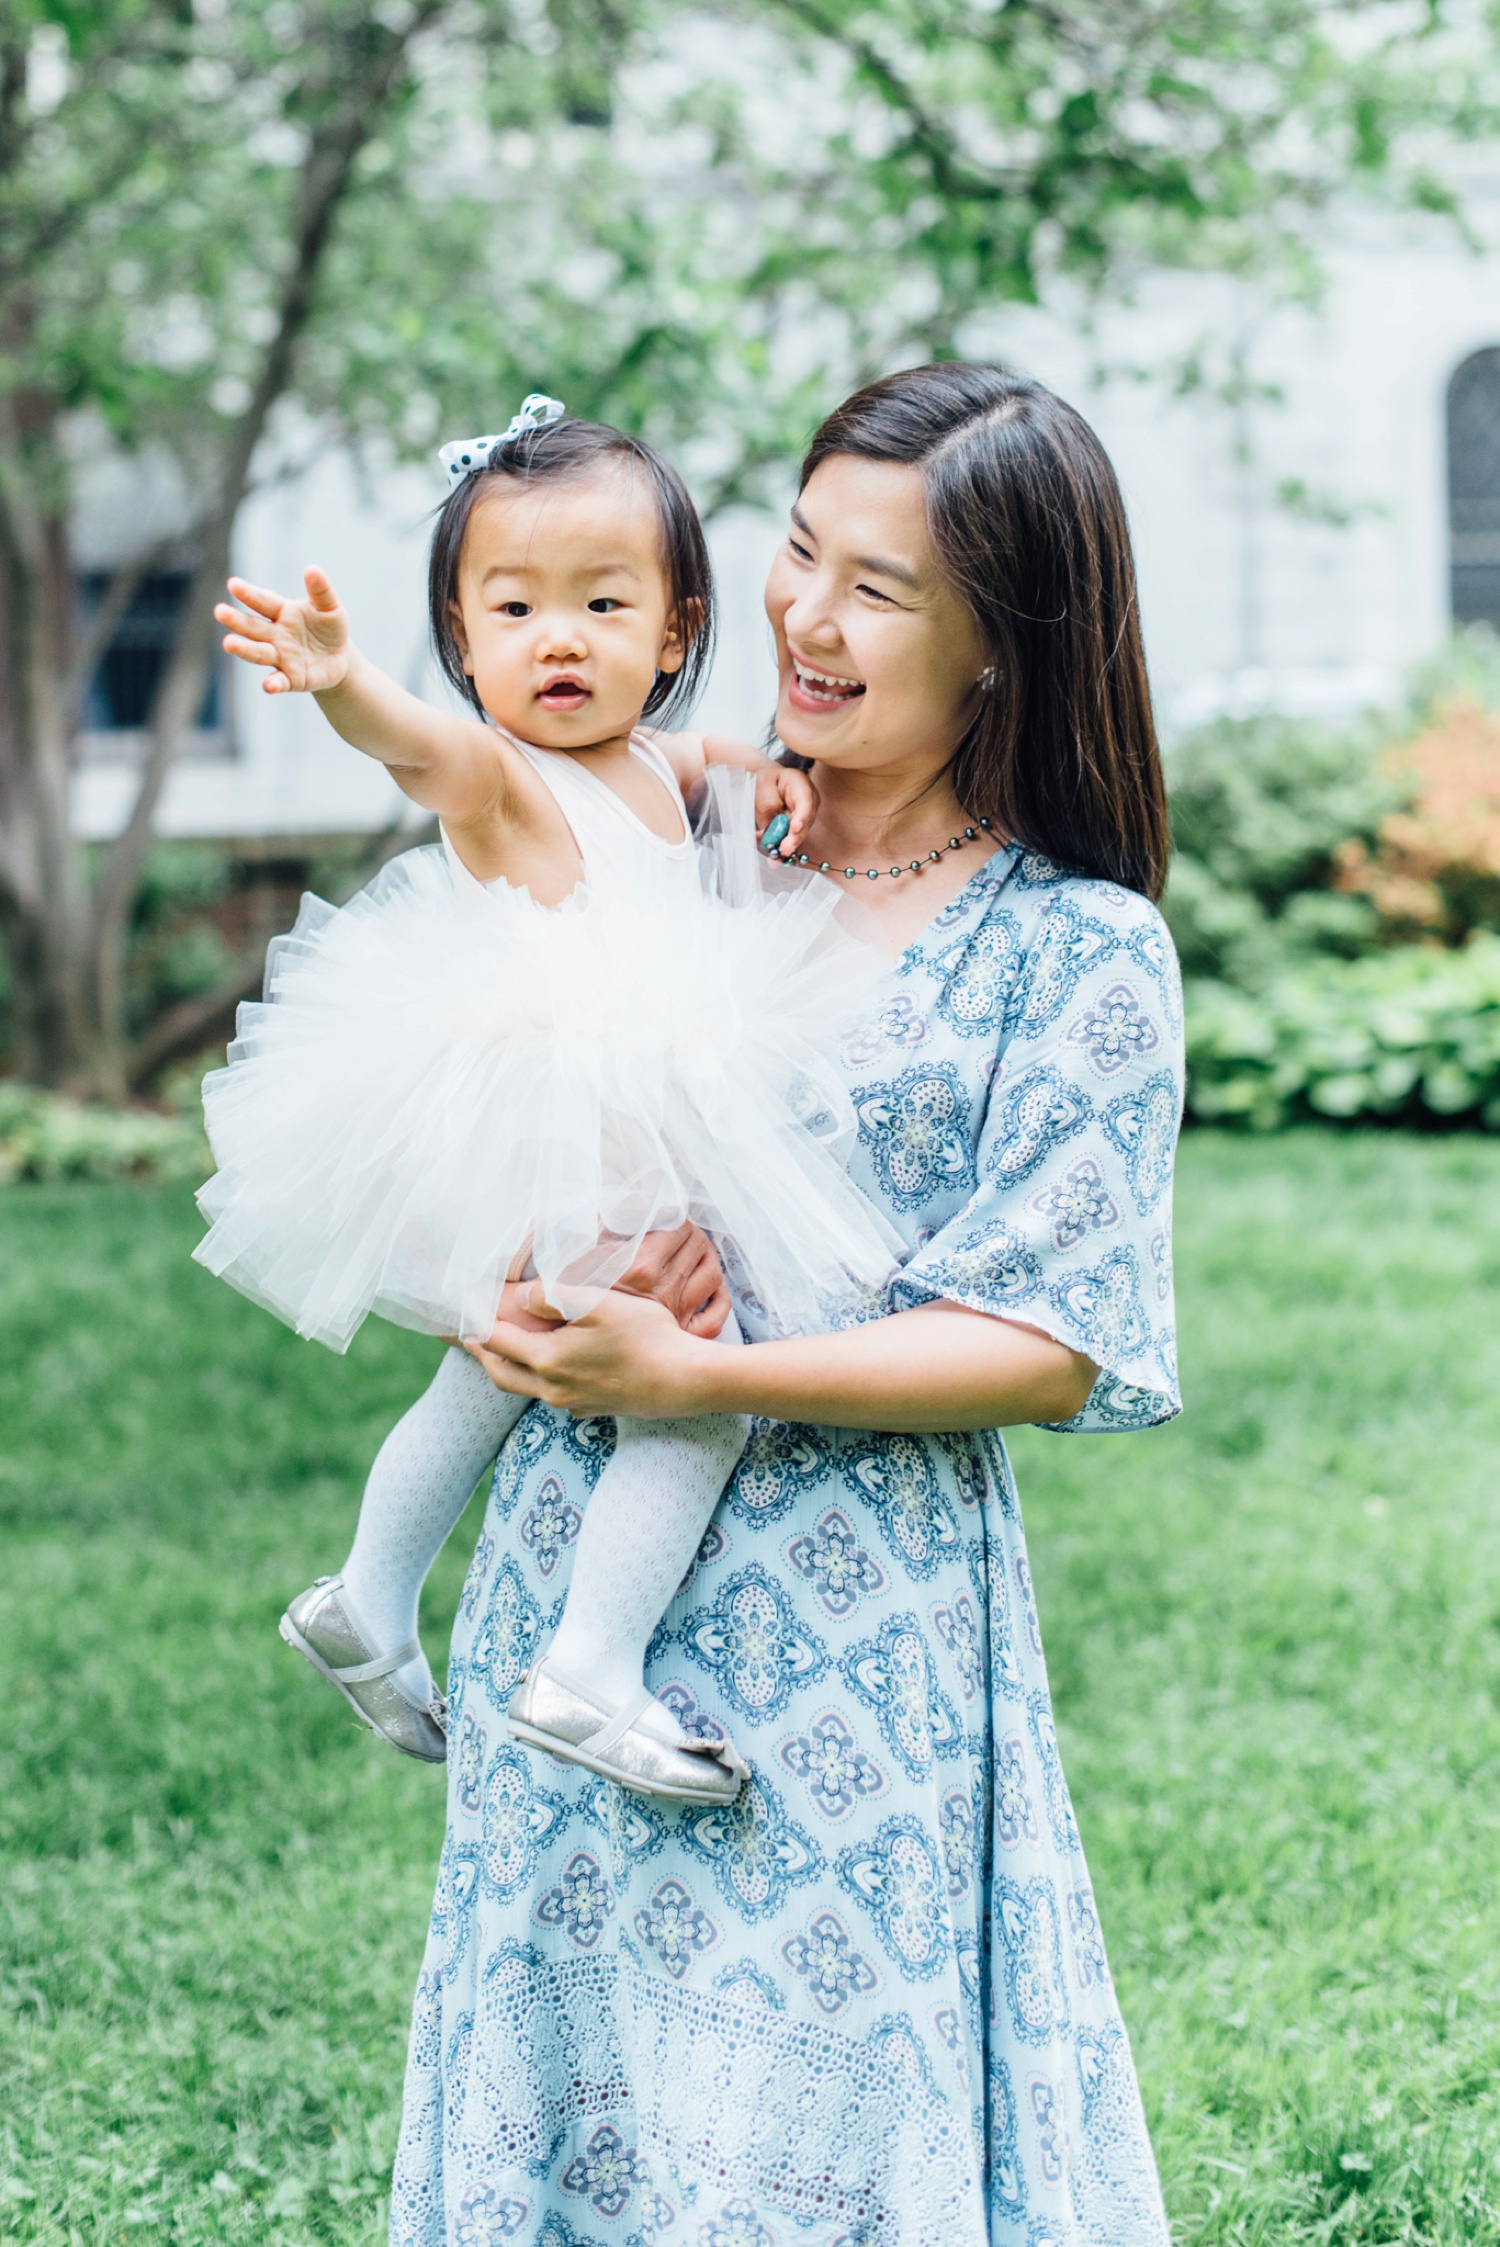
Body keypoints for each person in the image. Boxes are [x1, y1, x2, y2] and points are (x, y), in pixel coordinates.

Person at [390, 362, 1185, 2246]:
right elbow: (459, 1109)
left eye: (882, 589)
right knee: (571, 2088)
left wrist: (710, 1364)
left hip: (855, 1624)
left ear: (1008, 641)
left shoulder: (1074, 948)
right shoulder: (675, 833)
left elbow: (1048, 1338)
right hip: (571, 1565)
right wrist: (505, 1289)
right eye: (800, 552)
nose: (806, 621)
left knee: (810, 2122)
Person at [197, 396, 901, 1807]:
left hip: (614, 1123)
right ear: (462, 645)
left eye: (600, 601)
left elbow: (700, 769)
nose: (558, 637)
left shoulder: (646, 761)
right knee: (695, 1387)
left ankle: (367, 1599)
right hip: (581, 1123)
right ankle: (590, 1668)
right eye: (511, 608)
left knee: (494, 1365)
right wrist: (345, 683)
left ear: (676, 630)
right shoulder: (499, 780)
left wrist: (764, 770)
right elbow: (421, 750)